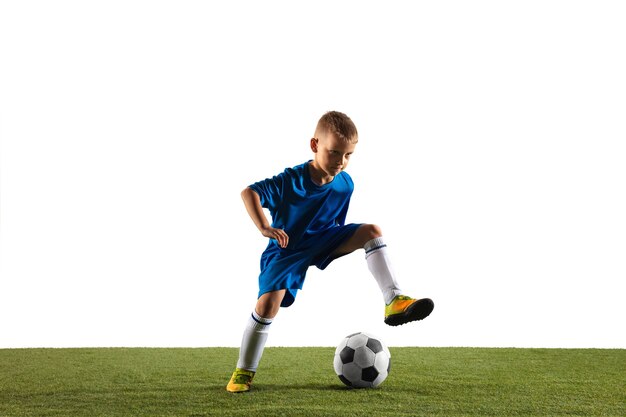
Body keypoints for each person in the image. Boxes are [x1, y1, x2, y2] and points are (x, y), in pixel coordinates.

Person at [226, 111, 434, 393]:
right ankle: (243, 371)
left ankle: (394, 299)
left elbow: (336, 222)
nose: (341, 162)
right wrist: (265, 227)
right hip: (287, 250)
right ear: (314, 146)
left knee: (371, 231)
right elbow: (249, 192)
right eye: (334, 153)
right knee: (266, 306)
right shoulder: (291, 181)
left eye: (348, 155)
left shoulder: (345, 183)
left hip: (324, 240)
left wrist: (336, 243)